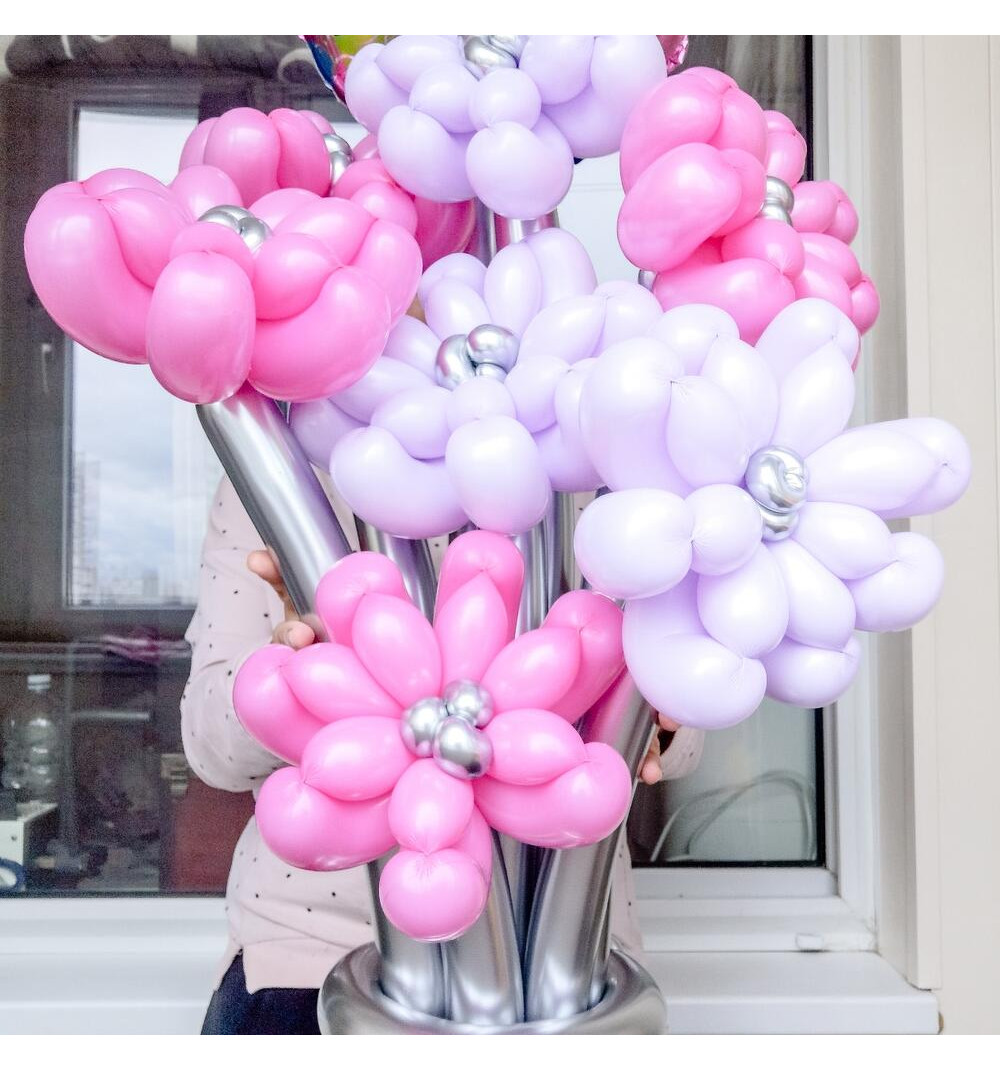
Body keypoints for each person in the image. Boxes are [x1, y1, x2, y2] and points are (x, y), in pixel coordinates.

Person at [182, 476, 703, 1034]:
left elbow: (683, 729)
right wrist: (291, 682)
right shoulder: (276, 477)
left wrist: (647, 727)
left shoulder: (604, 481)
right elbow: (209, 748)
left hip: (571, 968)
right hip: (306, 958)